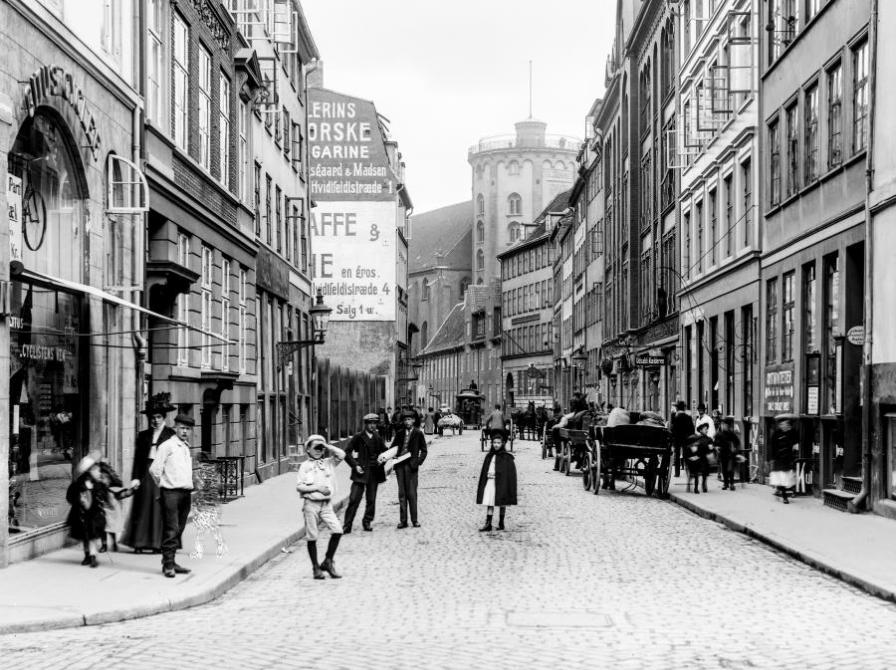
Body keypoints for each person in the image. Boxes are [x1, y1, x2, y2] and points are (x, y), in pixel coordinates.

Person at [121, 392, 176, 553]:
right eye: (153, 417)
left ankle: (156, 544)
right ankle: (139, 543)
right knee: (142, 507)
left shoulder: (170, 435)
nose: (155, 420)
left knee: (159, 509)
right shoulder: (143, 435)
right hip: (146, 473)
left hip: (162, 474)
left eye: (158, 417)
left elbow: (173, 459)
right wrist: (135, 478)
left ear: (164, 418)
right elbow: (138, 459)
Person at [149, 414, 196, 578]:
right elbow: (154, 470)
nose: (185, 431)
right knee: (172, 529)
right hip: (171, 493)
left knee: (179, 529)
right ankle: (168, 565)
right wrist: (164, 485)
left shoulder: (185, 447)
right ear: (175, 428)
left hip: (185, 493)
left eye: (188, 429)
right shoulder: (167, 446)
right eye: (182, 428)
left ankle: (171, 561)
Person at [297, 434, 346, 579]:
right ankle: (315, 568)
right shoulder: (305, 466)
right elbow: (299, 486)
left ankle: (328, 561)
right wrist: (317, 488)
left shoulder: (329, 463)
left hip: (326, 505)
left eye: (321, 448)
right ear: (308, 449)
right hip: (311, 504)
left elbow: (342, 454)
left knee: (337, 530)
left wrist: (327, 446)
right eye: (316, 447)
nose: (319, 450)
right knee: (312, 536)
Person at [342, 413, 387, 533]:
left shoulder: (377, 437)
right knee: (354, 499)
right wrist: (355, 465)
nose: (372, 426)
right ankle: (347, 524)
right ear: (365, 424)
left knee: (371, 500)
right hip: (360, 473)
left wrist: (383, 460)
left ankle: (367, 521)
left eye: (374, 423)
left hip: (373, 473)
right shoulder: (358, 437)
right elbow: (347, 452)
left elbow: (385, 452)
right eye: (370, 423)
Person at [383, 410, 428, 528]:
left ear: (413, 420)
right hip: (400, 466)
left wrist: (418, 462)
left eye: (409, 419)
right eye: (405, 420)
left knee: (412, 494)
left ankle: (414, 520)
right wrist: (390, 456)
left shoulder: (418, 433)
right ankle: (403, 521)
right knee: (402, 494)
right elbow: (393, 448)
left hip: (411, 467)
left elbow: (424, 450)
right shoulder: (399, 433)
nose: (407, 422)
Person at [65, 453, 109, 568]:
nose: (98, 473)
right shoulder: (79, 484)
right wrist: (79, 501)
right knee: (85, 536)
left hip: (94, 514)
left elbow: (104, 496)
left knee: (92, 536)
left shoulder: (98, 484)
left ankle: (93, 556)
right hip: (82, 515)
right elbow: (70, 496)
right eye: (96, 470)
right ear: (89, 472)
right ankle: (87, 555)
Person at [476, 432, 517, 532]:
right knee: (489, 501)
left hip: (502, 483)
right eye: (494, 443)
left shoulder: (506, 457)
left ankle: (501, 523)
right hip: (490, 481)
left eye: (498, 443)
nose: (496, 445)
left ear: (502, 444)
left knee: (502, 501)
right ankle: (488, 523)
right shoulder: (489, 456)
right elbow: (485, 471)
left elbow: (510, 474)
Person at [769, 415, 799, 504]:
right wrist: (771, 458)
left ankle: (785, 491)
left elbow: (796, 441)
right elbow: (772, 446)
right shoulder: (776, 434)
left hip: (788, 459)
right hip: (778, 459)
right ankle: (785, 496)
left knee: (788, 478)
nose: (783, 426)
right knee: (781, 478)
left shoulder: (791, 433)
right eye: (782, 424)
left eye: (785, 424)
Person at [685, 422, 714, 494]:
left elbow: (711, 449)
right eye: (705, 429)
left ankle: (704, 483)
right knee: (695, 467)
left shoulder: (709, 439)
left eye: (707, 429)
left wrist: (710, 449)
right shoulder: (696, 438)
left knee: (705, 465)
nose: (706, 430)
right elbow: (691, 448)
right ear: (700, 430)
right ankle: (695, 486)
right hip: (696, 458)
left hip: (704, 458)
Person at [715, 416, 742, 491]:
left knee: (730, 469)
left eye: (725, 425)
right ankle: (726, 483)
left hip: (730, 455)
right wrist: (716, 448)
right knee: (724, 470)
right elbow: (715, 443)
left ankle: (732, 484)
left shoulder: (731, 434)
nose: (723, 426)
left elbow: (737, 442)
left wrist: (735, 450)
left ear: (728, 426)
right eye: (723, 424)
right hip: (722, 454)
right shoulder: (719, 434)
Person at [670, 400, 695, 477]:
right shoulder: (688, 417)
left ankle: (677, 473)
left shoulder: (675, 417)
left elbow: (672, 429)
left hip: (677, 439)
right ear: (684, 408)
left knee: (677, 456)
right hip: (686, 439)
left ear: (677, 408)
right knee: (686, 455)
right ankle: (688, 471)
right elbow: (692, 429)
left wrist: (673, 439)